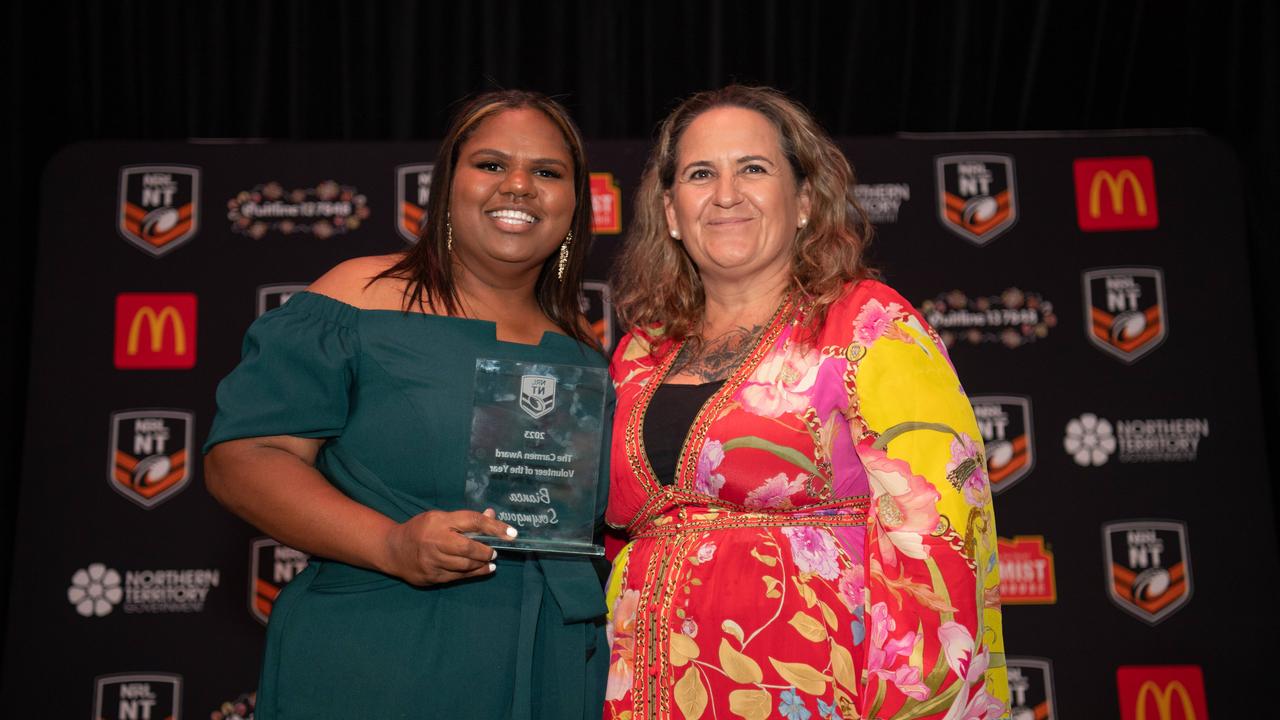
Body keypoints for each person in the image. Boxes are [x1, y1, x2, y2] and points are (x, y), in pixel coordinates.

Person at [602, 86, 1008, 720]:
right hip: (643, 687)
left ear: (804, 202)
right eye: (700, 173)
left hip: (811, 687)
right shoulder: (638, 353)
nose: (726, 193)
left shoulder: (867, 323)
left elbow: (941, 530)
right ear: (671, 212)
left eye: (754, 169)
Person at [204, 90, 610, 720]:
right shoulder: (358, 299)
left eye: (548, 172)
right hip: (384, 651)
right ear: (447, 185)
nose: (520, 187)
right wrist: (392, 544)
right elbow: (246, 458)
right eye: (492, 164)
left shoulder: (584, 346)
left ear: (575, 203)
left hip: (552, 660)